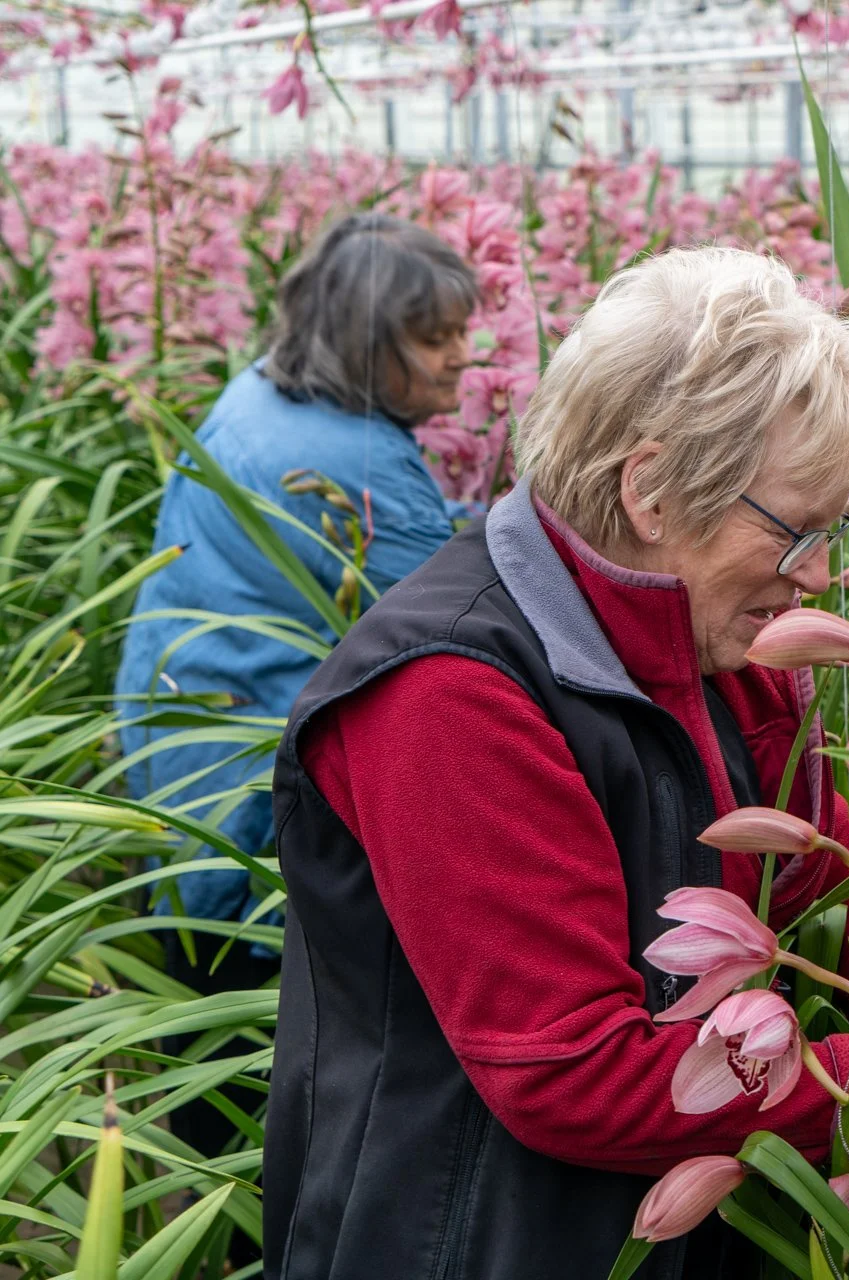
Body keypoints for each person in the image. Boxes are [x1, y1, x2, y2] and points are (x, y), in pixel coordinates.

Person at [262, 247, 849, 1280]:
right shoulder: (449, 695)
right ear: (654, 490)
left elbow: (843, 882)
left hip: (673, 1214)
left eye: (835, 530)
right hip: (466, 1237)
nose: (817, 574)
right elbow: (569, 1071)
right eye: (796, 529)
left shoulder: (725, 650)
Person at [113, 214, 476, 1161]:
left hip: (176, 734)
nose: (461, 364)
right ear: (365, 339)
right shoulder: (351, 465)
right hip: (249, 796)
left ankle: (201, 1190)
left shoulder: (260, 397)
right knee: (262, 1049)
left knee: (198, 1007)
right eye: (434, 339)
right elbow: (455, 620)